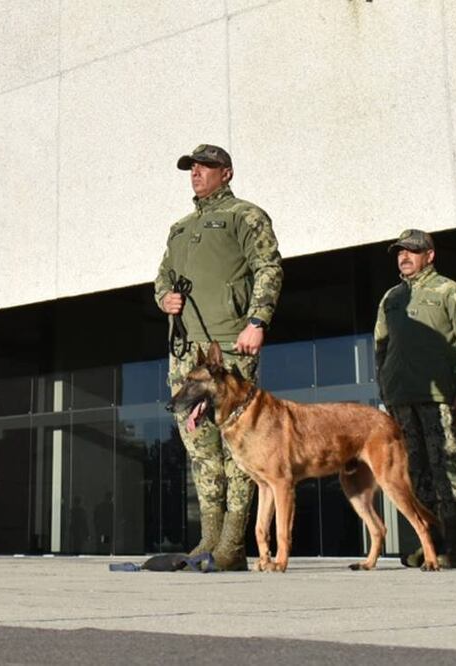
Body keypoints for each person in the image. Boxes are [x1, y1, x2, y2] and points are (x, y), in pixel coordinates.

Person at [154, 144, 283, 571]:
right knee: (200, 445)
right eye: (191, 167)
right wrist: (164, 298)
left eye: (205, 166)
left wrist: (258, 320)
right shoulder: (179, 228)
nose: (195, 173)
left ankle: (233, 544)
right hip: (186, 352)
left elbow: (269, 267)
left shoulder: (244, 216)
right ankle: (209, 536)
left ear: (226, 173)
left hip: (230, 347)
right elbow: (162, 278)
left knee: (238, 444)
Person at [374, 229, 456, 569]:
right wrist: (385, 387)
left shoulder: (449, 291)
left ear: (430, 255)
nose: (404, 257)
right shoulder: (391, 298)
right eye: (400, 252)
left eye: (412, 251)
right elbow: (381, 346)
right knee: (414, 473)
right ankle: (428, 545)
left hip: (439, 398)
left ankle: (454, 547)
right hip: (400, 400)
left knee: (447, 470)